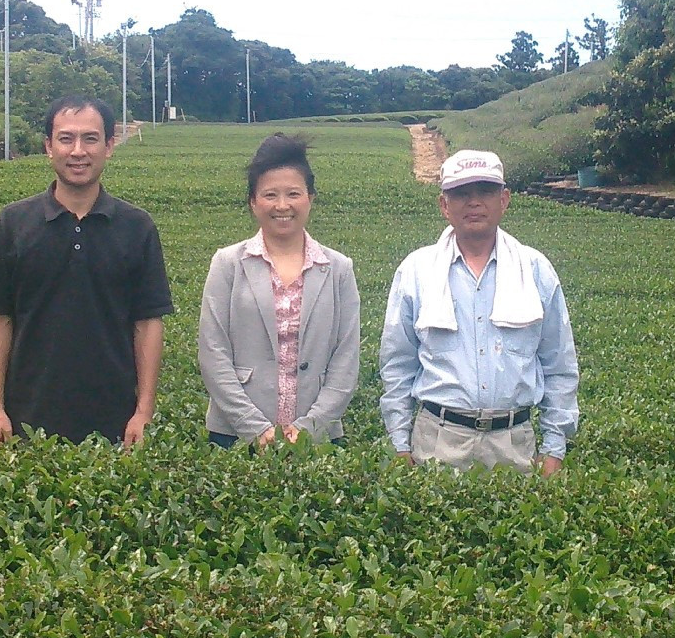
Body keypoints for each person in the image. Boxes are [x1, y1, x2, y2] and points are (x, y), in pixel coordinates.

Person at [0, 95, 173, 447]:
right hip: (26, 423)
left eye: (91, 139)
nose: (78, 151)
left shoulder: (137, 226)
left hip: (115, 425)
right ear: (49, 147)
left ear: (109, 146)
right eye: (66, 139)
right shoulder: (14, 222)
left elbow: (147, 323)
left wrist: (143, 412)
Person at [379, 149, 578, 476]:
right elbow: (398, 364)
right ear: (444, 205)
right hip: (437, 442)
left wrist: (554, 447)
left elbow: (559, 365)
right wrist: (400, 443)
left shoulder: (536, 270)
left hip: (514, 444)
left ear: (504, 200)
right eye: (461, 194)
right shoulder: (416, 271)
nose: (474, 202)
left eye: (485, 191)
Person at [198, 133, 360, 447]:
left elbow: (346, 358)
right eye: (270, 195)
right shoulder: (228, 263)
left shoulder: (338, 268)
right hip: (234, 433)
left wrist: (310, 428)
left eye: (293, 194)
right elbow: (213, 352)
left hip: (319, 435)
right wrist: (255, 428)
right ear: (253, 202)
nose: (282, 205)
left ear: (311, 198)